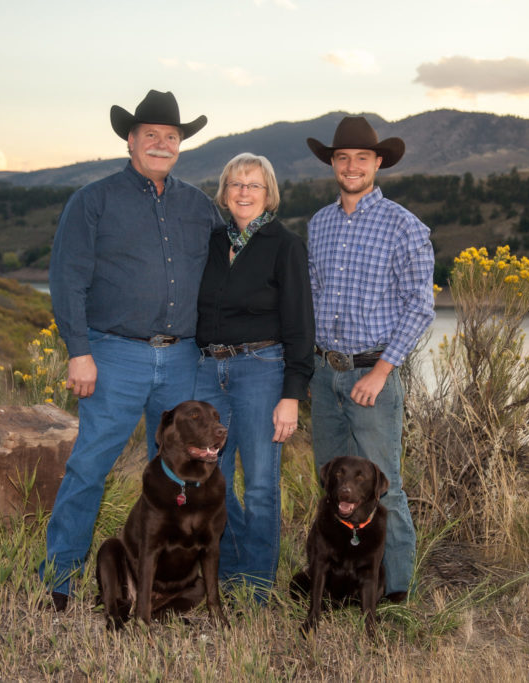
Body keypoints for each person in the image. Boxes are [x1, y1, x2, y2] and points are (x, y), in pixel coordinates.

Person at [40, 90, 224, 610]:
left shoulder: (198, 205)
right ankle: (58, 583)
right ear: (130, 141)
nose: (162, 144)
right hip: (115, 355)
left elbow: (225, 271)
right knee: (88, 467)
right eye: (152, 136)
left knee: (184, 474)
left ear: (181, 145)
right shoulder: (93, 201)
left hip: (184, 357)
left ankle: (176, 586)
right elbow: (67, 279)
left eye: (172, 137)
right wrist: (79, 351)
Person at [305, 116, 435, 602]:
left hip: (372, 375)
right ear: (332, 164)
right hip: (325, 373)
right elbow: (314, 297)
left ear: (378, 163)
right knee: (334, 489)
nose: (352, 166)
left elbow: (420, 305)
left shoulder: (404, 226)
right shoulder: (319, 224)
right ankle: (340, 590)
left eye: (362, 158)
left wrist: (382, 372)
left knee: (384, 490)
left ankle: (397, 594)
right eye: (343, 158)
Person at [193, 153, 314, 599]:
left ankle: (257, 588)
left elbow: (301, 325)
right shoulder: (209, 242)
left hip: (262, 369)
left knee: (261, 481)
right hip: (208, 370)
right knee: (208, 474)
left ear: (269, 195)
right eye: (236, 184)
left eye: (254, 185)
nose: (244, 192)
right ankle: (228, 572)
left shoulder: (285, 245)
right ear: (224, 193)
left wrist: (292, 394)